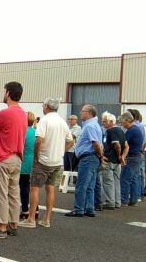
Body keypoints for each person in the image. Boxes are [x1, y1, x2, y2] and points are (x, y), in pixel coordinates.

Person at [0, 82, 28, 239]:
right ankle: (13, 224)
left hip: (3, 157)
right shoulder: (23, 113)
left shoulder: (5, 113)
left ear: (8, 93)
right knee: (13, 192)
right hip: (17, 157)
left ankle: (0, 227)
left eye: (4, 91)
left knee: (0, 192)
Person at [20, 98, 73, 228]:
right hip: (56, 161)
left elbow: (38, 141)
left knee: (34, 188)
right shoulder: (62, 121)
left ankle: (31, 219)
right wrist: (61, 151)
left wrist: (37, 155)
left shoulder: (45, 120)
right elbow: (71, 141)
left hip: (43, 160)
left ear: (47, 107)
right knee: (50, 188)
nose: (42, 107)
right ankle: (47, 219)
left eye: (43, 105)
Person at [65, 104, 103, 217]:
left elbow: (95, 143)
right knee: (90, 186)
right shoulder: (95, 125)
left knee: (81, 185)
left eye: (83, 111)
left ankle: (79, 209)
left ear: (89, 113)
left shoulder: (89, 126)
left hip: (88, 157)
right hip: (92, 157)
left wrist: (100, 155)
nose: (80, 113)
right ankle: (89, 208)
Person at [100, 112, 125, 210]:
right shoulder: (121, 130)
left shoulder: (110, 131)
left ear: (111, 121)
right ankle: (117, 201)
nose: (103, 123)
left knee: (108, 182)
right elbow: (126, 146)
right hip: (117, 161)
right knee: (116, 181)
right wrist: (121, 157)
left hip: (110, 159)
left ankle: (110, 202)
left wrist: (119, 155)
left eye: (105, 121)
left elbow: (117, 145)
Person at [119, 112, 143, 207]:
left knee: (125, 179)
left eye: (122, 122)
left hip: (131, 157)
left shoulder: (131, 130)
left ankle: (124, 200)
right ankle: (133, 200)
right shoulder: (136, 129)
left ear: (128, 120)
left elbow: (124, 144)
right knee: (133, 179)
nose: (121, 124)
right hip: (137, 157)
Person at [19, 111, 37, 220]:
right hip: (33, 160)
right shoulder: (35, 131)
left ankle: (25, 210)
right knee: (33, 188)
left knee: (24, 186)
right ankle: (36, 209)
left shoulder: (23, 132)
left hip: (24, 160)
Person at [128, 109, 146, 201]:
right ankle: (139, 195)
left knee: (134, 175)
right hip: (140, 152)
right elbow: (145, 141)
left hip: (135, 153)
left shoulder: (134, 126)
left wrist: (140, 150)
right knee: (139, 174)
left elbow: (143, 142)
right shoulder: (142, 126)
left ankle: (136, 195)